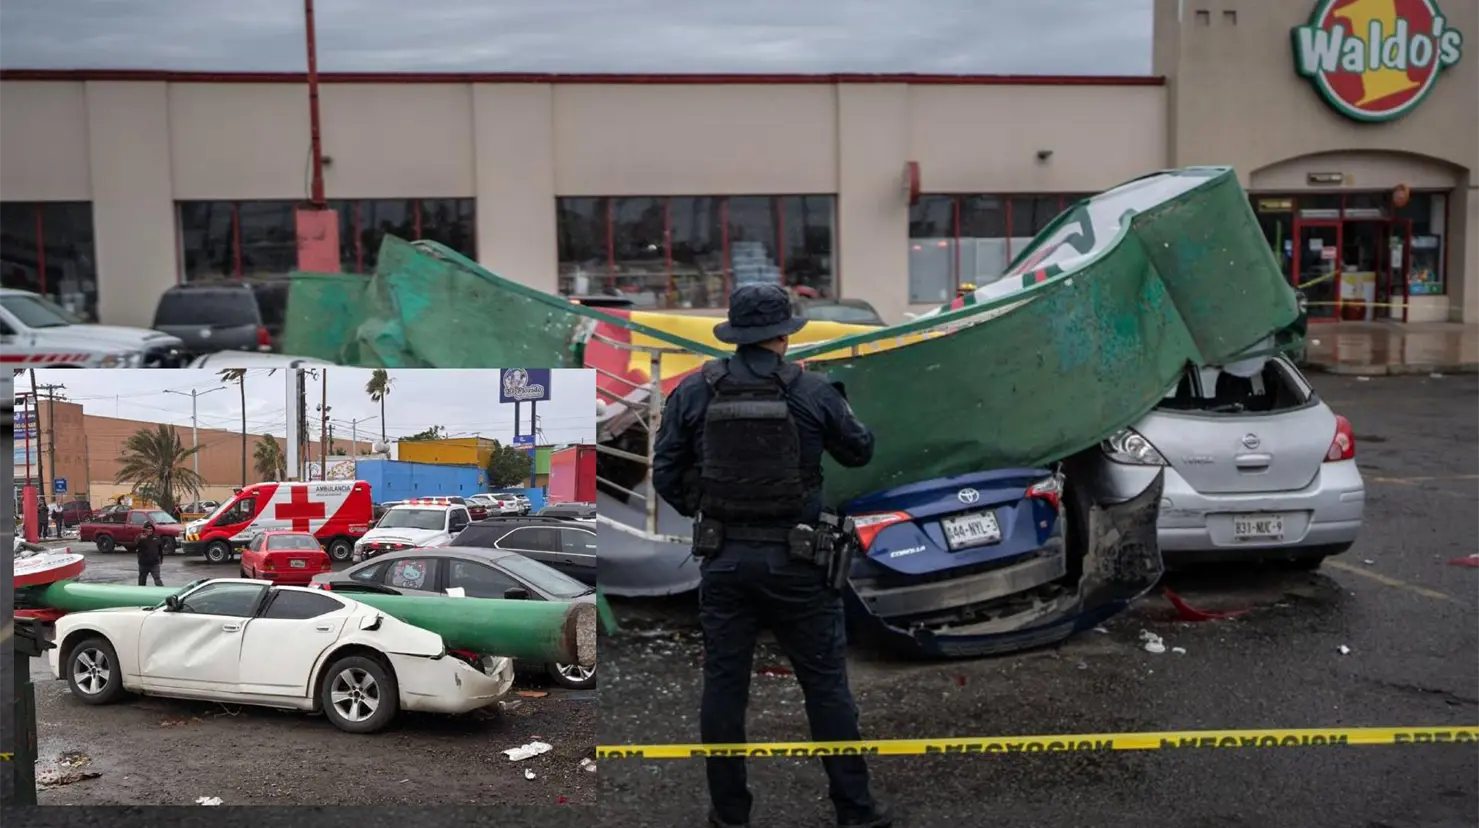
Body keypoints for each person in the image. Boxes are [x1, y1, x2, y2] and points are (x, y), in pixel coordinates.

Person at [652, 282, 890, 828]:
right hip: (800, 563)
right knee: (826, 686)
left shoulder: (694, 391)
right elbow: (860, 451)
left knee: (724, 688)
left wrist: (710, 510)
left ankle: (730, 816)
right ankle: (856, 812)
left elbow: (665, 471)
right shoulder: (813, 391)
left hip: (725, 561)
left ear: (736, 333)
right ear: (784, 335)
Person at [135, 522, 165, 587]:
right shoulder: (140, 536)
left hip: (154, 563)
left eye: (151, 529)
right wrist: (141, 540)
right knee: (142, 579)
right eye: (148, 529)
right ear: (144, 529)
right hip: (143, 563)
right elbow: (135, 547)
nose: (149, 530)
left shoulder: (156, 537)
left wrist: (161, 558)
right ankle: (141, 592)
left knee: (157, 579)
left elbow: (160, 549)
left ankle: (162, 591)